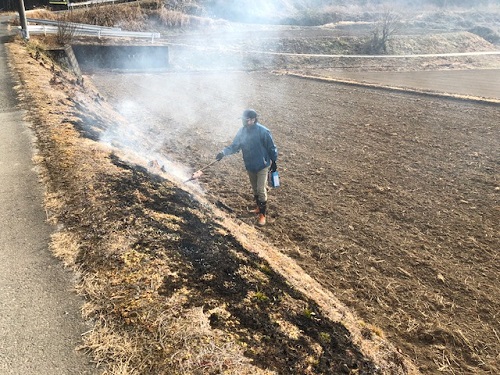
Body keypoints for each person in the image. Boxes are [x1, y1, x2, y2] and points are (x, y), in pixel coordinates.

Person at [216, 109, 278, 226]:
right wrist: (223, 153)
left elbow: (271, 147)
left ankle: (262, 215)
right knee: (255, 189)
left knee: (261, 190)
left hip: (262, 165)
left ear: (253, 120)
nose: (243, 122)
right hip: (250, 164)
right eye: (243, 120)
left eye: (246, 120)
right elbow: (235, 146)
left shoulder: (263, 131)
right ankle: (258, 208)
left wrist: (274, 161)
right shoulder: (242, 132)